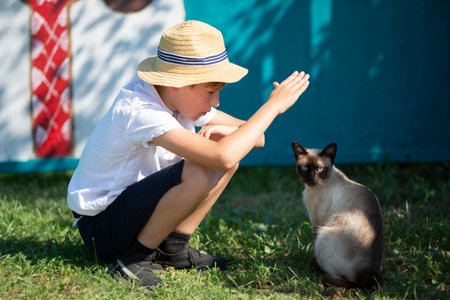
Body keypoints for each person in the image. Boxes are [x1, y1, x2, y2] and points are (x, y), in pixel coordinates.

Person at [67, 20, 310, 288]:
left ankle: (172, 249)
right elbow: (224, 157)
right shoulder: (140, 110)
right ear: (176, 84)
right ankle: (132, 260)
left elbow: (256, 139)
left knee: (222, 156)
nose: (216, 102)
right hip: (102, 230)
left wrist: (226, 131)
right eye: (211, 92)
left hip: (131, 216)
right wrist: (272, 107)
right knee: (203, 167)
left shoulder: (181, 99)